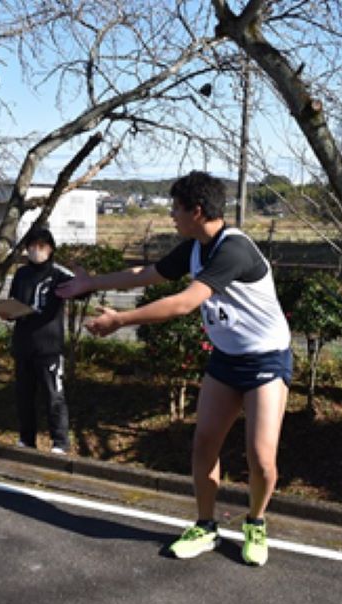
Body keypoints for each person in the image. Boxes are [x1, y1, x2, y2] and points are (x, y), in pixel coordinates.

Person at [56, 171, 292, 566]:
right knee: (204, 444)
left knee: (261, 457)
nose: (171, 215)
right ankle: (205, 525)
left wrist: (121, 320)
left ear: (197, 211)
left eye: (176, 208)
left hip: (265, 359)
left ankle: (256, 521)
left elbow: (185, 302)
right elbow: (146, 274)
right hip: (226, 359)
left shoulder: (233, 250)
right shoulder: (195, 246)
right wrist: (90, 283)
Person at [0, 227, 73, 454]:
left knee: (53, 395)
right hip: (24, 343)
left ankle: (60, 442)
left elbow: (81, 289)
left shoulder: (58, 273)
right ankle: (26, 439)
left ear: (50, 249)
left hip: (48, 344)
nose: (35, 251)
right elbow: (15, 301)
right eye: (31, 247)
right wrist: (8, 312)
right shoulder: (21, 274)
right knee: (24, 395)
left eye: (41, 247)